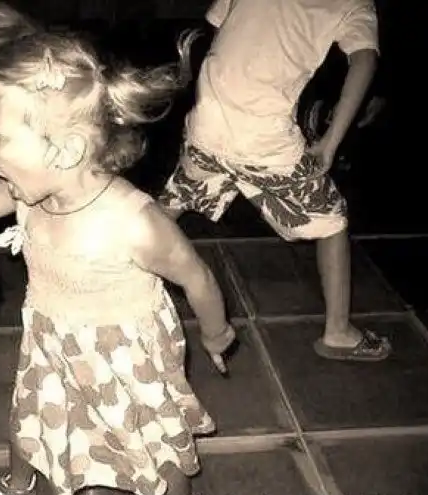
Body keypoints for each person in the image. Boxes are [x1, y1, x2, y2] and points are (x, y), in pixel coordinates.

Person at [0, 0, 235, 495]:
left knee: (154, 443)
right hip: (49, 340)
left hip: (127, 357)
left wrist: (216, 333)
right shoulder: (22, 191)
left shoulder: (136, 222)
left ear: (64, 151)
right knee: (28, 417)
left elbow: (197, 276)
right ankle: (20, 482)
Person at [159, 0, 391, 362]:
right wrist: (330, 142)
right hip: (263, 136)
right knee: (332, 222)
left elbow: (217, 27)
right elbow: (364, 62)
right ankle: (339, 333)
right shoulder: (354, 2)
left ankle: (109, 269)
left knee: (173, 201)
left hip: (208, 118)